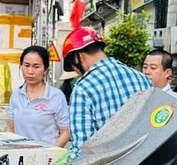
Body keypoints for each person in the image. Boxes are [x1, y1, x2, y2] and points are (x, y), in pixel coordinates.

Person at [63, 27, 152, 157]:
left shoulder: (83, 89)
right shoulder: (142, 78)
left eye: (73, 67)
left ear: (78, 57)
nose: (76, 72)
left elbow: (82, 151)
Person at [8, 46, 69, 147]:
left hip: (47, 158)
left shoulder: (56, 96)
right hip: (20, 157)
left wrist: (51, 155)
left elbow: (65, 133)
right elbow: (11, 129)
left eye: (36, 67)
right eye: (26, 65)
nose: (30, 71)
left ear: (45, 69)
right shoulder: (16, 95)